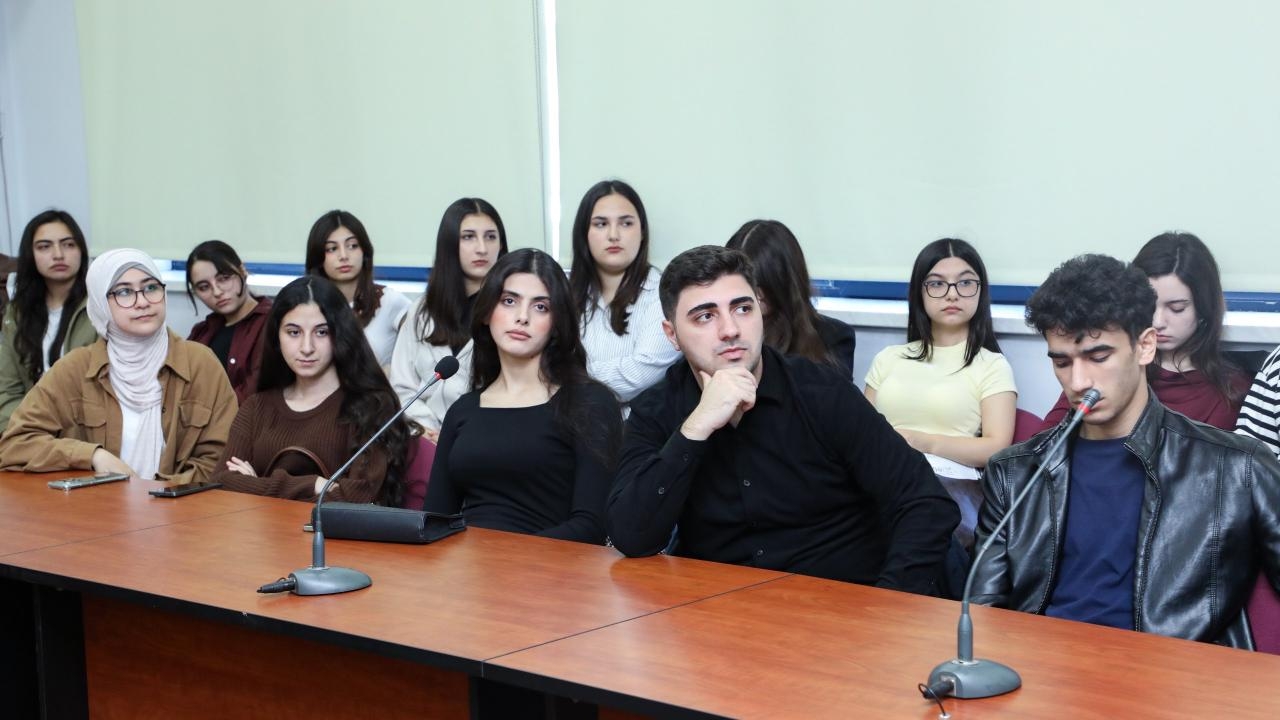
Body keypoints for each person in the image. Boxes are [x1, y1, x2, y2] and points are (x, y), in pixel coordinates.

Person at [606, 245, 957, 594]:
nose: (730, 329)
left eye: (742, 309)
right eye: (705, 317)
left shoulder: (821, 393)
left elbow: (925, 503)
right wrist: (697, 426)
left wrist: (888, 602)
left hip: (840, 599)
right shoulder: (658, 409)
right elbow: (631, 536)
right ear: (672, 335)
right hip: (720, 610)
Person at [972, 254, 1280, 649]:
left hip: (1169, 673)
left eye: (1098, 357)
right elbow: (983, 615)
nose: (1078, 382)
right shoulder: (1014, 473)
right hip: (1040, 667)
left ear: (1145, 346)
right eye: (1062, 362)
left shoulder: (1237, 467)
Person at [425, 249, 622, 544]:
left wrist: (504, 558)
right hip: (466, 565)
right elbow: (434, 521)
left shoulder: (590, 403)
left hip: (549, 566)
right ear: (487, 312)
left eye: (540, 307)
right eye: (509, 301)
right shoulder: (463, 410)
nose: (522, 317)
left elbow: (591, 526)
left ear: (556, 323)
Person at [0, 249, 236, 483]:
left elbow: (222, 460)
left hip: (181, 505)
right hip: (97, 505)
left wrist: (158, 491)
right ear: (101, 303)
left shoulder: (201, 364)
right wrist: (92, 456)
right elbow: (15, 444)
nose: (142, 302)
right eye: (124, 292)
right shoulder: (74, 369)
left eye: (151, 288)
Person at [864, 239, 1016, 550]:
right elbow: (862, 432)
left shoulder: (991, 364)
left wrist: (922, 442)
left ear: (981, 291)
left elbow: (997, 447)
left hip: (947, 487)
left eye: (965, 283)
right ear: (919, 292)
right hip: (881, 480)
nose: (952, 293)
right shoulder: (889, 358)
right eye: (937, 283)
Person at [211, 276, 413, 505]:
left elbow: (356, 501)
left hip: (332, 530)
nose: (307, 348)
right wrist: (314, 484)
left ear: (341, 334)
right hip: (258, 528)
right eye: (294, 332)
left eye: (321, 332)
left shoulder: (373, 405)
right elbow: (221, 482)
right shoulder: (257, 406)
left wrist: (256, 485)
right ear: (277, 337)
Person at [1038, 232, 1249, 430]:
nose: (1157, 321)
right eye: (1150, 305)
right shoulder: (1111, 369)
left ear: (1204, 308)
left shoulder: (1229, 390)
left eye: (1176, 308)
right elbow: (1046, 442)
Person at [390, 198, 507, 441]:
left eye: (490, 237)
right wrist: (426, 430)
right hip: (425, 438)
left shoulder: (510, 311)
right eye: (468, 237)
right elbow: (401, 387)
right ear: (449, 244)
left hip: (485, 439)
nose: (482, 248)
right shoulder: (422, 310)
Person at [569, 180, 681, 405]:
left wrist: (566, 374)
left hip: (638, 425)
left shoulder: (665, 294)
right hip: (566, 421)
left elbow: (638, 376)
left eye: (626, 223)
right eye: (601, 224)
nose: (614, 235)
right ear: (584, 233)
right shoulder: (564, 294)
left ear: (642, 232)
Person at [0, 210, 97, 431]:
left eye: (68, 244)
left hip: (84, 434)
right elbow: (7, 390)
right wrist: (29, 432)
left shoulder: (101, 308)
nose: (58, 254)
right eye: (44, 246)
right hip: (29, 429)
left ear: (81, 251)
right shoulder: (17, 312)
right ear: (30, 255)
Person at [726, 219, 855, 378]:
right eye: (744, 286)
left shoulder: (833, 337)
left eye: (759, 285)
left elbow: (835, 392)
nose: (753, 296)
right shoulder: (723, 334)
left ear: (782, 282)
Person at [305, 209, 411, 366]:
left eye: (352, 246)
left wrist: (392, 371)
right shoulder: (305, 305)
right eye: (332, 249)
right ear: (318, 257)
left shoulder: (389, 301)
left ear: (365, 252)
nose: (343, 256)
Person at [185, 240, 273, 402]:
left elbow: (257, 392)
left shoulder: (274, 323)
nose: (217, 292)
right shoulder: (200, 333)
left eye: (224, 278)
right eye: (204, 287)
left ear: (242, 271)